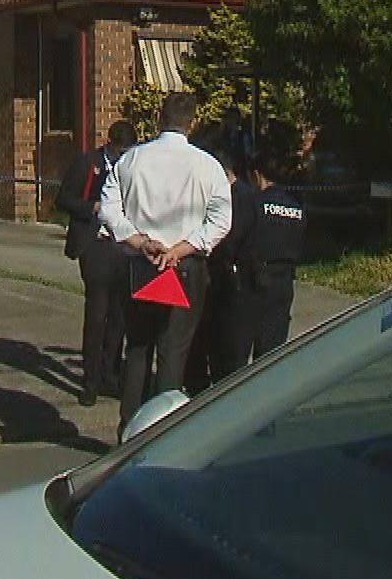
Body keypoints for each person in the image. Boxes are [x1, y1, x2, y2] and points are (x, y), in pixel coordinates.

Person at [96, 91, 231, 430]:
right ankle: (163, 431)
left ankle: (128, 427)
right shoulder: (207, 166)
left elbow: (109, 209)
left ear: (159, 118)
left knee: (138, 349)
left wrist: (139, 240)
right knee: (174, 353)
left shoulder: (131, 160)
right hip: (184, 265)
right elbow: (221, 220)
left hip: (141, 262)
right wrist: (185, 246)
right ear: (193, 122)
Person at [55, 119, 138, 406]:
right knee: (97, 315)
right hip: (96, 244)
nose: (123, 157)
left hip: (124, 246)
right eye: (119, 152)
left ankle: (110, 374)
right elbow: (63, 197)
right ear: (109, 144)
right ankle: (89, 381)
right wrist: (90, 207)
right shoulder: (87, 163)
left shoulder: (136, 167)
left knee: (119, 317)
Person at [216, 120, 307, 378]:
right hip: (283, 287)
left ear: (257, 174)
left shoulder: (253, 204)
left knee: (236, 361)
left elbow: (232, 243)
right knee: (270, 360)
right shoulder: (296, 207)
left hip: (251, 285)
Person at [184, 127, 254, 395]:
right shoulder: (222, 196)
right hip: (212, 280)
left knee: (224, 349)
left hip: (227, 283)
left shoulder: (241, 199)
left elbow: (230, 240)